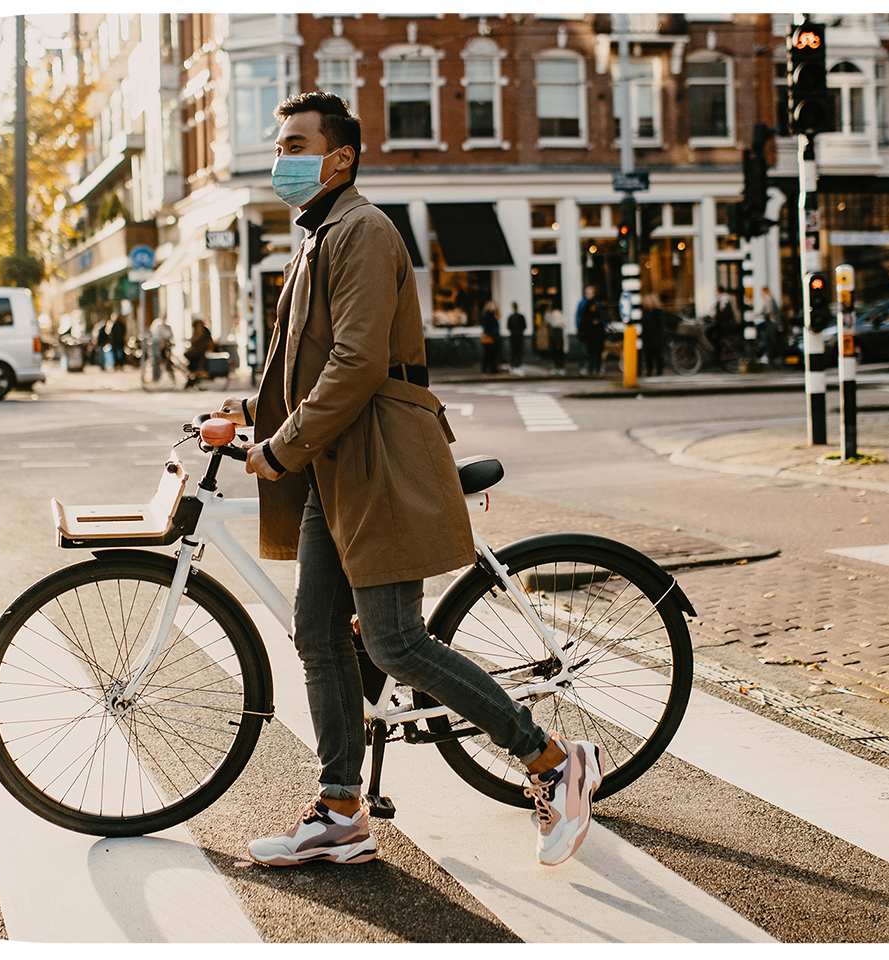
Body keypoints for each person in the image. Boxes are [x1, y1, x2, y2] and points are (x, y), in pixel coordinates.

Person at [215, 91, 601, 870]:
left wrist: (280, 447)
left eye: (295, 143)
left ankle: (554, 761)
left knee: (392, 641)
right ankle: (339, 811)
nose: (281, 159)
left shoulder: (361, 230)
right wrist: (252, 410)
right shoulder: (320, 235)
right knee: (320, 640)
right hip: (336, 467)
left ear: (341, 157)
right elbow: (312, 362)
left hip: (377, 460)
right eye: (279, 144)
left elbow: (357, 363)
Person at [576, 287, 605, 375]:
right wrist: (579, 328)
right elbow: (578, 316)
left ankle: (596, 367)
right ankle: (584, 367)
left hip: (596, 333)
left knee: (596, 351)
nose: (589, 295)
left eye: (591, 293)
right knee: (584, 351)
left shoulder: (597, 303)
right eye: (588, 293)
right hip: (587, 332)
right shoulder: (582, 303)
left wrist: (604, 326)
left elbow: (601, 316)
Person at [640, 294, 666, 377]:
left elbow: (661, 325)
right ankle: (649, 370)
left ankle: (659, 371)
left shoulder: (657, 312)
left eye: (649, 301)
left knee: (658, 354)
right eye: (646, 301)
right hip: (647, 336)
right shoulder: (644, 312)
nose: (648, 303)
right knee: (648, 355)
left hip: (656, 336)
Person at [184, 315, 213, 388]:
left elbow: (197, 337)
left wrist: (191, 341)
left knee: (192, 363)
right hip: (200, 350)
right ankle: (193, 379)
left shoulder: (198, 326)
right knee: (193, 365)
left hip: (198, 351)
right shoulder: (200, 327)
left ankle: (194, 379)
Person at [479, 301, 502, 375]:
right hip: (490, 337)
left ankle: (491, 368)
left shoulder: (493, 314)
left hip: (493, 336)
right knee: (488, 353)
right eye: (493, 305)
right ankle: (487, 368)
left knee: (491, 354)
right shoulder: (487, 315)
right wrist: (493, 335)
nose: (495, 307)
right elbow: (487, 327)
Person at [150, 316, 174, 382]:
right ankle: (157, 377)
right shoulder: (158, 324)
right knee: (157, 360)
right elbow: (159, 335)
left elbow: (170, 335)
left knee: (167, 360)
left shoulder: (167, 325)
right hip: (159, 344)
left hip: (166, 345)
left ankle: (171, 376)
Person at [506, 302, 527, 375]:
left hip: (513, 336)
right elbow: (524, 326)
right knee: (518, 351)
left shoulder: (511, 317)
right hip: (519, 336)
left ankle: (513, 366)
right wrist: (520, 331)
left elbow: (508, 326)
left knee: (513, 351)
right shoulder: (521, 317)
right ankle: (517, 365)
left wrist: (513, 331)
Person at [546, 307, 566, 374]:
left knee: (557, 355)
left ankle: (559, 367)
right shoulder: (560, 327)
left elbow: (557, 337)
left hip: (557, 343)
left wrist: (557, 343)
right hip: (558, 342)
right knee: (559, 355)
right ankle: (560, 368)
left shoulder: (556, 328)